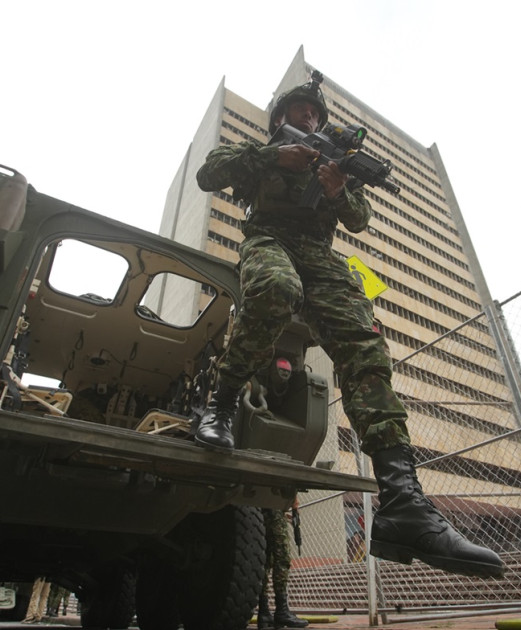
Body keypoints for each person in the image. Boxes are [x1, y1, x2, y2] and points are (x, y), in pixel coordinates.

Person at [195, 71, 505, 579]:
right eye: (301, 111)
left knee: (366, 346)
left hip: (321, 256)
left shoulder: (333, 164)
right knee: (276, 290)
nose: (311, 117)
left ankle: (403, 501)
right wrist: (274, 156)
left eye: (316, 113)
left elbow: (358, 219)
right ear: (281, 118)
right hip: (269, 240)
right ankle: (221, 406)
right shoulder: (259, 150)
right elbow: (211, 173)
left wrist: (338, 189)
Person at [257, 500, 308, 629]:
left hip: (262, 507)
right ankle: (281, 611)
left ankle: (264, 612)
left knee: (266, 559)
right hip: (274, 506)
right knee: (282, 558)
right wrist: (293, 500)